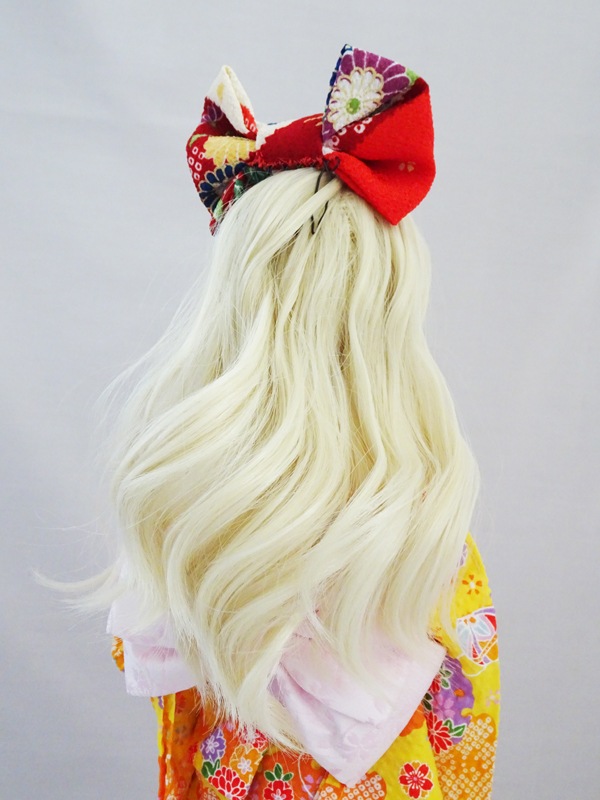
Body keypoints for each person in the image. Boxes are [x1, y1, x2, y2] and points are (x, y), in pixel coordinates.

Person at [86, 44, 500, 800]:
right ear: (390, 321)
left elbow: (168, 717)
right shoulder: (427, 544)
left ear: (230, 310)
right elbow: (467, 741)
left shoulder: (187, 513)